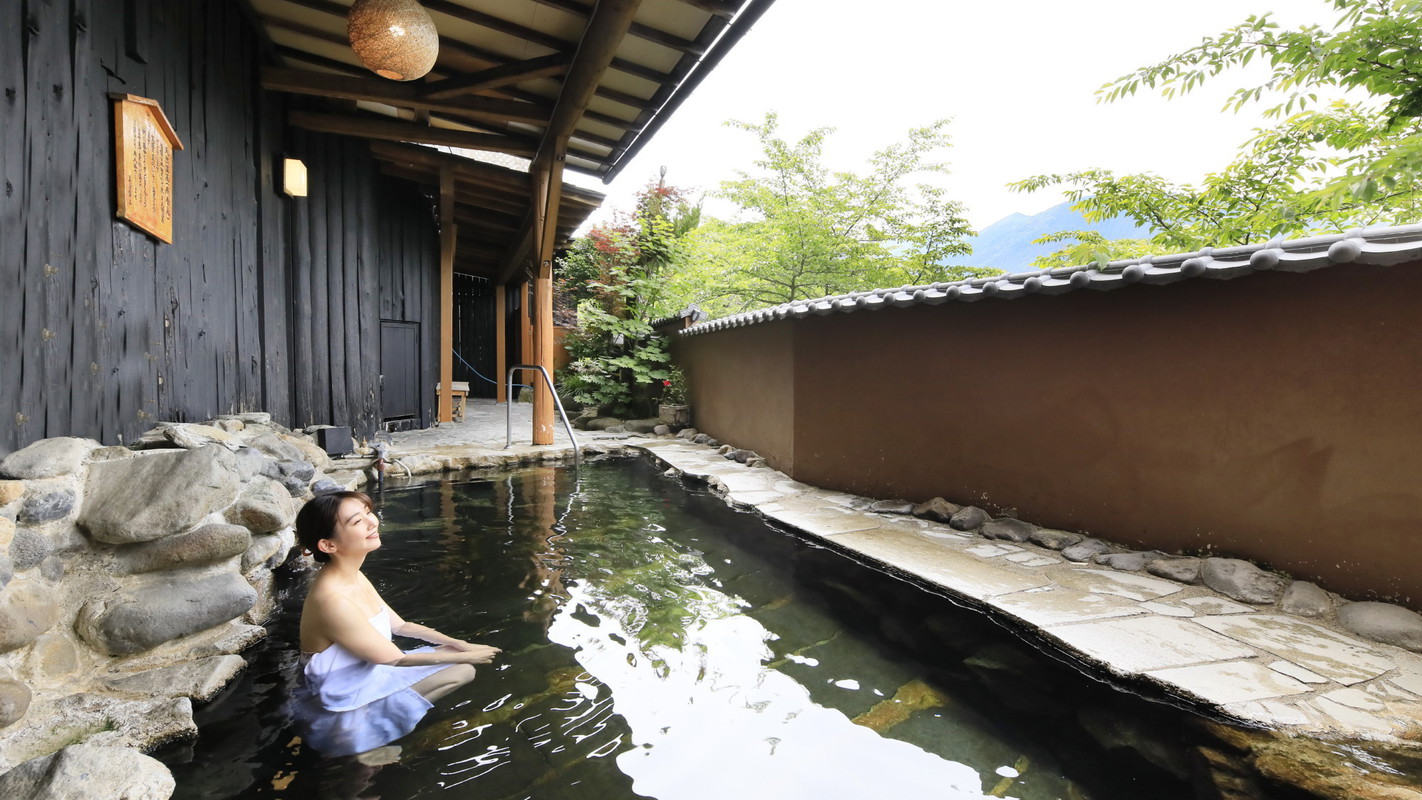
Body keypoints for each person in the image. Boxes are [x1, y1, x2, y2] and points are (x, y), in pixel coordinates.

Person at [289, 490, 500, 757]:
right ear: (328, 545)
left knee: (462, 665)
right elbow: (395, 659)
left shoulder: (351, 574)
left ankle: (385, 716)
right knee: (464, 667)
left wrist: (458, 643)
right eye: (357, 522)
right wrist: (473, 654)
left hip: (365, 674)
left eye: (368, 512)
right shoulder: (332, 599)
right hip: (344, 700)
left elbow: (401, 626)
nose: (372, 522)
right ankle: (371, 734)